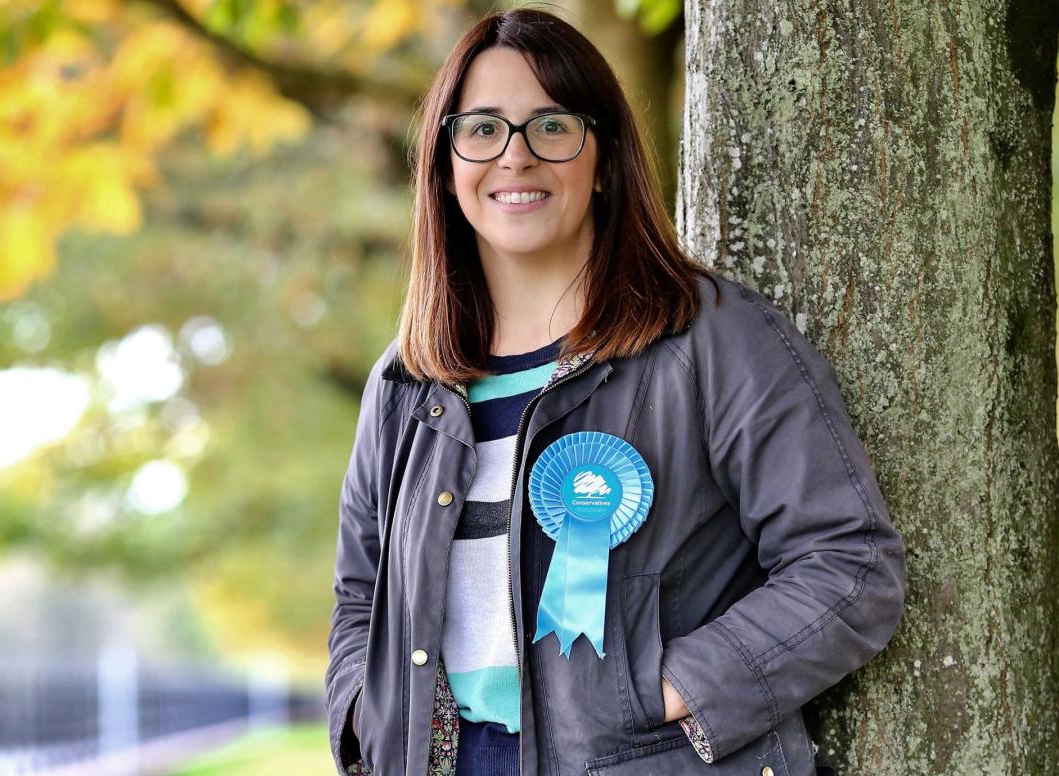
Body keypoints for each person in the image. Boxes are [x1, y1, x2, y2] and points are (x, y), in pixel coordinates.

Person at [324, 8, 905, 776]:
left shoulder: (712, 338)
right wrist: (367, 721)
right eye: (482, 129)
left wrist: (661, 691)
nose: (515, 157)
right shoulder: (404, 381)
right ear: (444, 163)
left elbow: (850, 564)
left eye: (551, 127)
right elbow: (360, 597)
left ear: (602, 159)